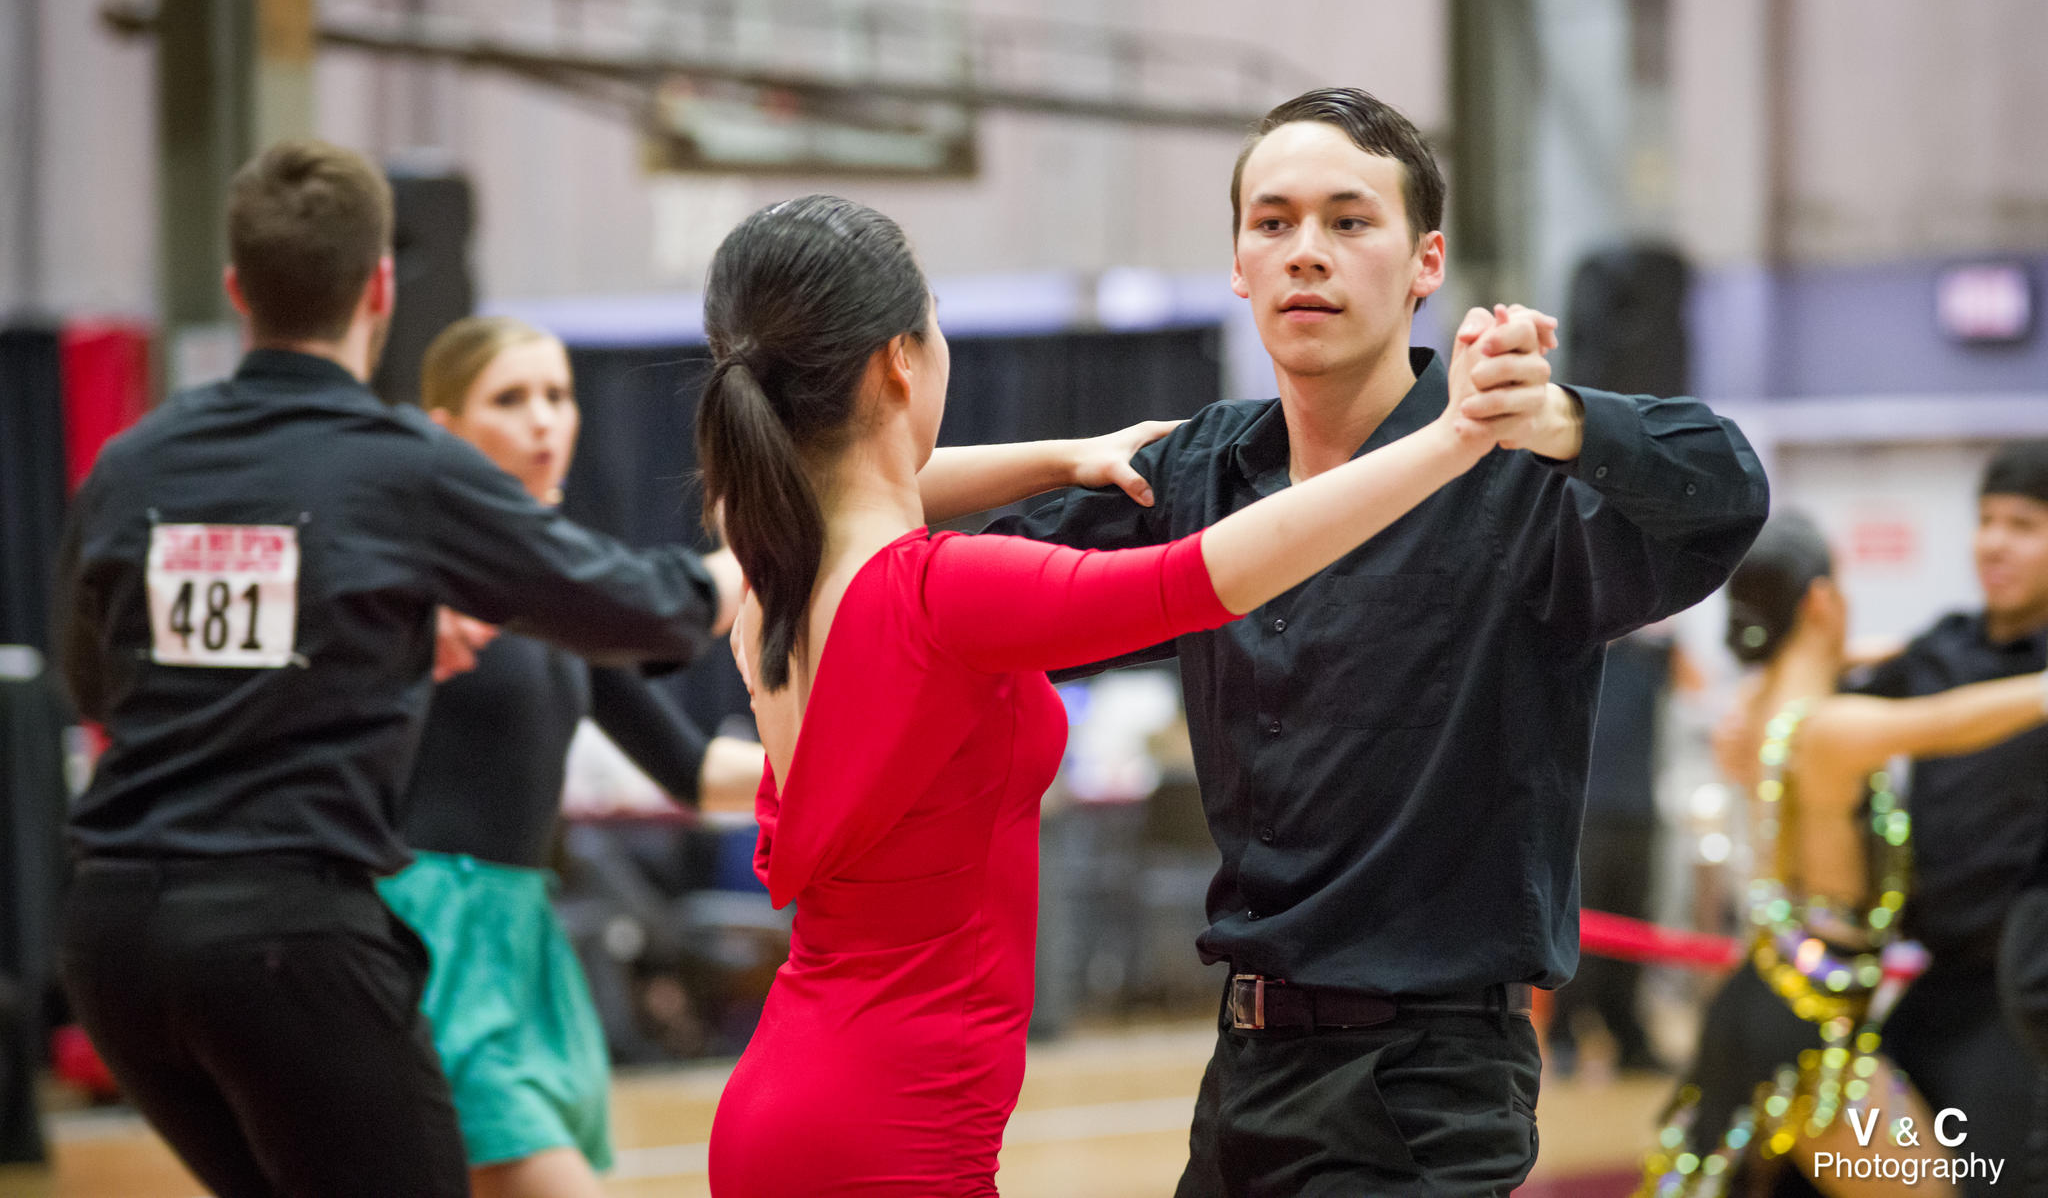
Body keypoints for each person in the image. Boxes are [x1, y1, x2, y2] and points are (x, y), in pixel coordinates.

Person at [693, 193, 1559, 1196]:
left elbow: (862, 487)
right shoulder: (941, 591)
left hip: (787, 1097)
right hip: (891, 1131)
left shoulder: (774, 573)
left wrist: (1066, 457)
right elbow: (1210, 574)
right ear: (899, 360)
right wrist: (1452, 439)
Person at [989, 86, 1771, 1196]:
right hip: (1243, 1070)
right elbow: (974, 600)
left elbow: (1726, 485)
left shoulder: (1511, 474)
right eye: (1272, 222)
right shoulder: (1195, 471)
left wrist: (1554, 417)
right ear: (1237, 262)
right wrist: (1052, 457)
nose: (1305, 251)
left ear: (1424, 262)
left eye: (1349, 220)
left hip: (1425, 1083)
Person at [51, 140, 737, 1198]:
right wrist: (792, 534)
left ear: (238, 289)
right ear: (379, 285)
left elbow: (98, 685)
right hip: (289, 934)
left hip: (114, 943)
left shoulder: (132, 460)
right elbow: (653, 607)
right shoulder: (401, 467)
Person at [372, 315, 765, 1198]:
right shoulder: (409, 576)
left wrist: (862, 765)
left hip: (521, 939)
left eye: (557, 394)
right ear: (443, 431)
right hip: (424, 933)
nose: (544, 418)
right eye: (511, 398)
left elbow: (696, 772)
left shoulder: (568, 598)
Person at [1641, 512, 2048, 1196]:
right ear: (1823, 600)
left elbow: (1878, 666)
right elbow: (1948, 721)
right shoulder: (1830, 726)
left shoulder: (1757, 705)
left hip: (1765, 994)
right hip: (1811, 1029)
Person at [1848, 439, 2048, 1197]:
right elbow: (1835, 711)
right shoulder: (1942, 646)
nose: (1994, 542)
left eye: (2023, 525)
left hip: (2021, 993)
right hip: (1931, 984)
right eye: (1986, 520)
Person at [1549, 625, 1695, 1078]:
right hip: (1582, 810)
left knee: (1632, 923)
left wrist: (1661, 629)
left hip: (1638, 811)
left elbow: (1697, 686)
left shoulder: (1652, 652)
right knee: (1581, 926)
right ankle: (1566, 1034)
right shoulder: (1569, 648)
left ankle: (1626, 1034)